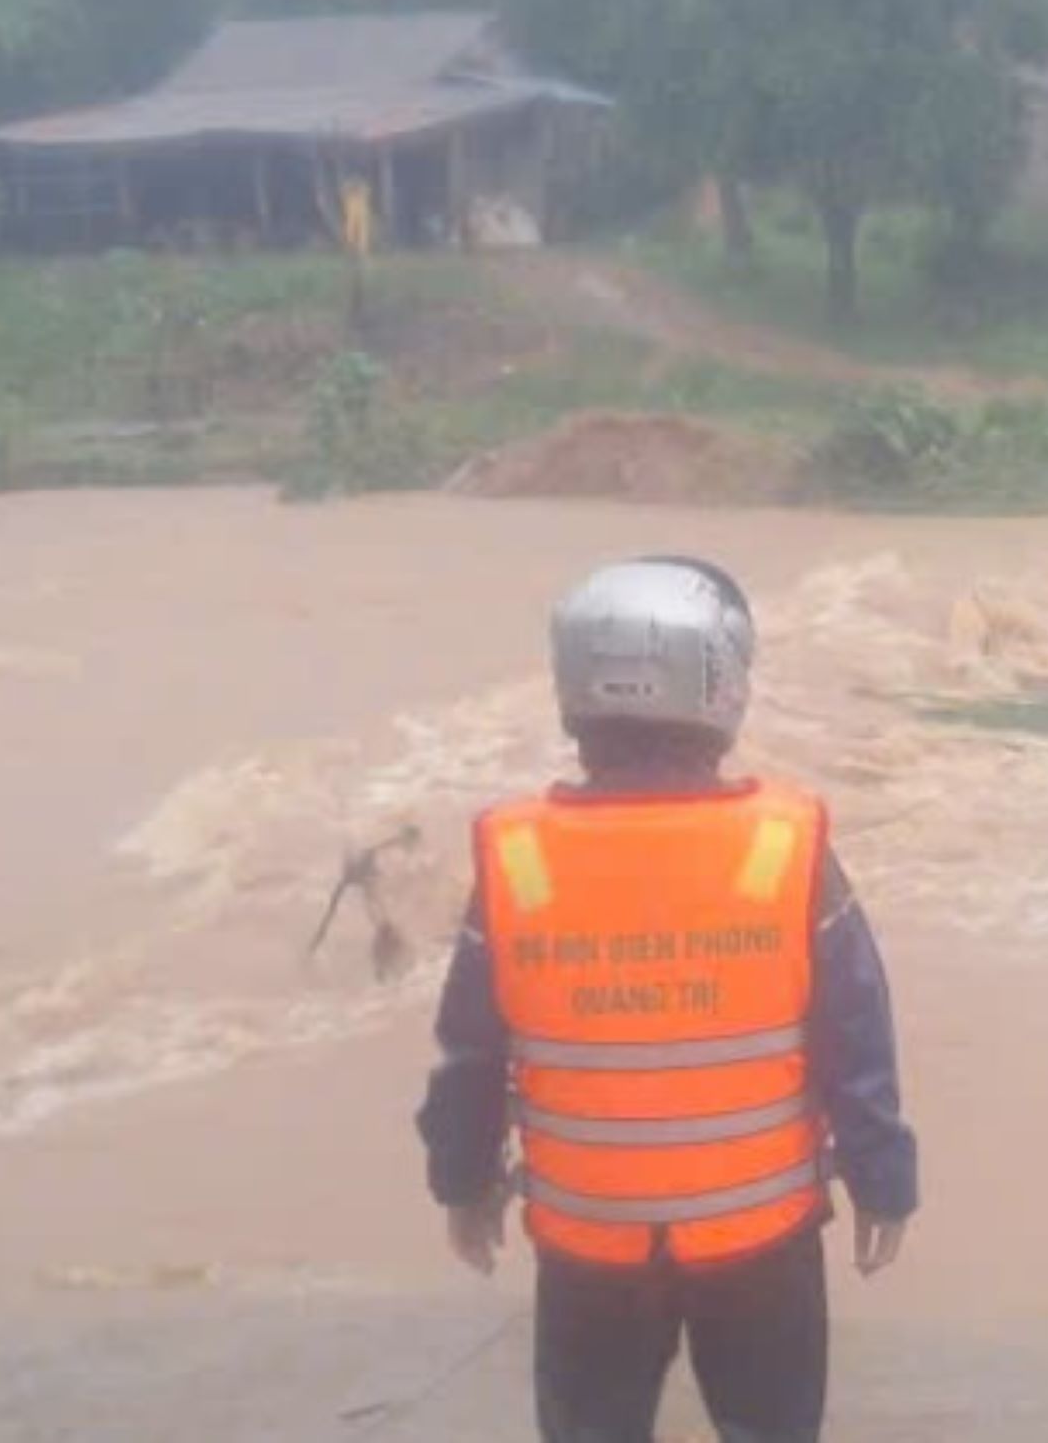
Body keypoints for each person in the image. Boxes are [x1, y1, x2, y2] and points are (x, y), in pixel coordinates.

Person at [417, 556, 919, 1443]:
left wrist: (464, 1182)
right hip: (762, 1242)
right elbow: (856, 1040)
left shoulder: (518, 859)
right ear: (722, 686)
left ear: (572, 692)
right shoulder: (784, 847)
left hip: (588, 1247)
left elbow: (469, 1054)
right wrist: (885, 1184)